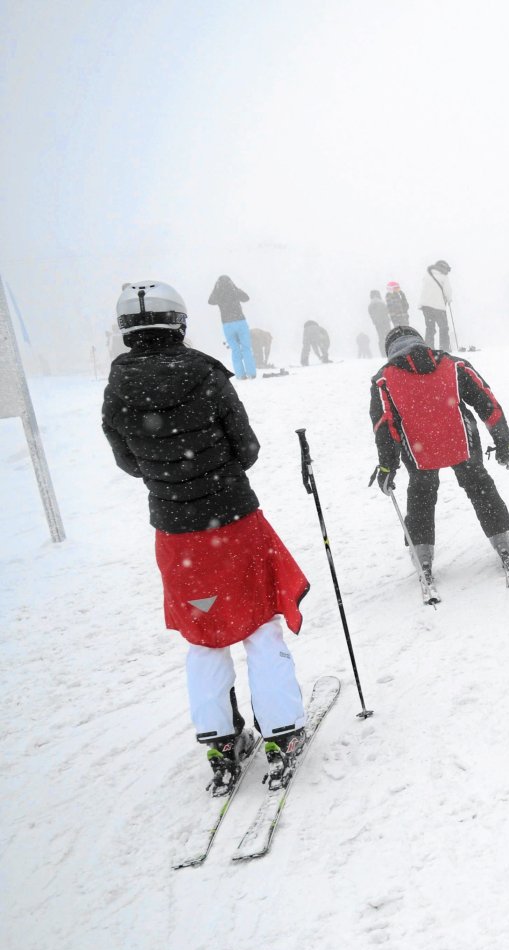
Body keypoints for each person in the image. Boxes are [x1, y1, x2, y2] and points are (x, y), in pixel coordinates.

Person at [102, 280, 310, 792]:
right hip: (234, 522)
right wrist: (217, 477)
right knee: (260, 625)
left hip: (177, 536)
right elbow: (247, 446)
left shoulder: (118, 387)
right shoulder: (205, 374)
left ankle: (220, 742)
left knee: (203, 638)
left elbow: (127, 461)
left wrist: (169, 479)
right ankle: (282, 733)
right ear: (179, 322)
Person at [369, 325, 509, 598]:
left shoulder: (384, 380)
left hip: (419, 449)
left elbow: (385, 426)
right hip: (460, 439)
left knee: (421, 494)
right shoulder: (452, 364)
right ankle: (502, 540)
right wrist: (503, 440)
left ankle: (422, 554)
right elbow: (487, 402)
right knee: (479, 485)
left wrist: (387, 466)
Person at [208, 274, 257, 379]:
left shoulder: (218, 293)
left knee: (235, 350)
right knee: (246, 348)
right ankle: (251, 373)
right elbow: (246, 298)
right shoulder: (234, 291)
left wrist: (216, 288)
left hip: (227, 325)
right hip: (240, 322)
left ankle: (240, 375)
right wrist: (234, 287)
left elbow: (210, 301)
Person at [419, 260, 453, 350]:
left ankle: (429, 349)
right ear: (443, 268)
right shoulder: (443, 277)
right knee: (444, 328)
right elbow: (448, 291)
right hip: (438, 306)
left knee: (430, 328)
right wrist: (449, 299)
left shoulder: (427, 275)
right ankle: (444, 348)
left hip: (425, 306)